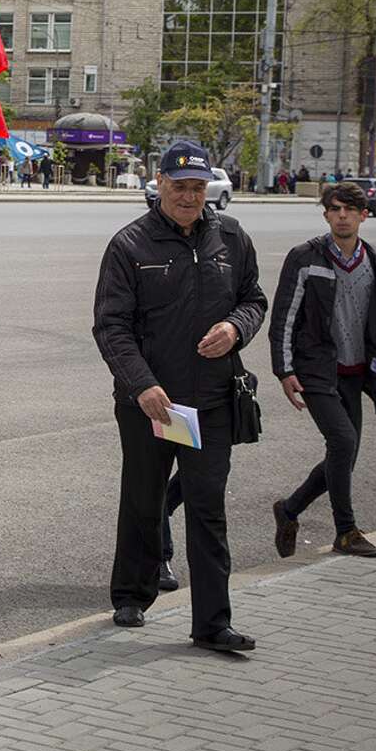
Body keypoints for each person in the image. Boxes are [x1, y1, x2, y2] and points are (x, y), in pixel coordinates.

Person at [93, 141, 267, 653]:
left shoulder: (230, 238)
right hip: (152, 405)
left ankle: (212, 624)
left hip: (211, 402)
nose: (190, 197)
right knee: (143, 502)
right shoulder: (130, 245)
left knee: (208, 509)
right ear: (159, 184)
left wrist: (236, 329)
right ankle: (131, 595)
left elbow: (254, 298)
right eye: (180, 187)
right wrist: (141, 385)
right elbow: (111, 326)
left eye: (198, 188)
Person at [267, 182, 376, 560]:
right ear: (325, 214)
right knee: (343, 443)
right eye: (335, 209)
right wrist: (285, 370)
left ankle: (289, 509)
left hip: (357, 372)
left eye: (350, 210)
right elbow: (284, 318)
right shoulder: (305, 257)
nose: (342, 216)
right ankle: (346, 531)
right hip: (316, 371)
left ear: (364, 215)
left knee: (346, 455)